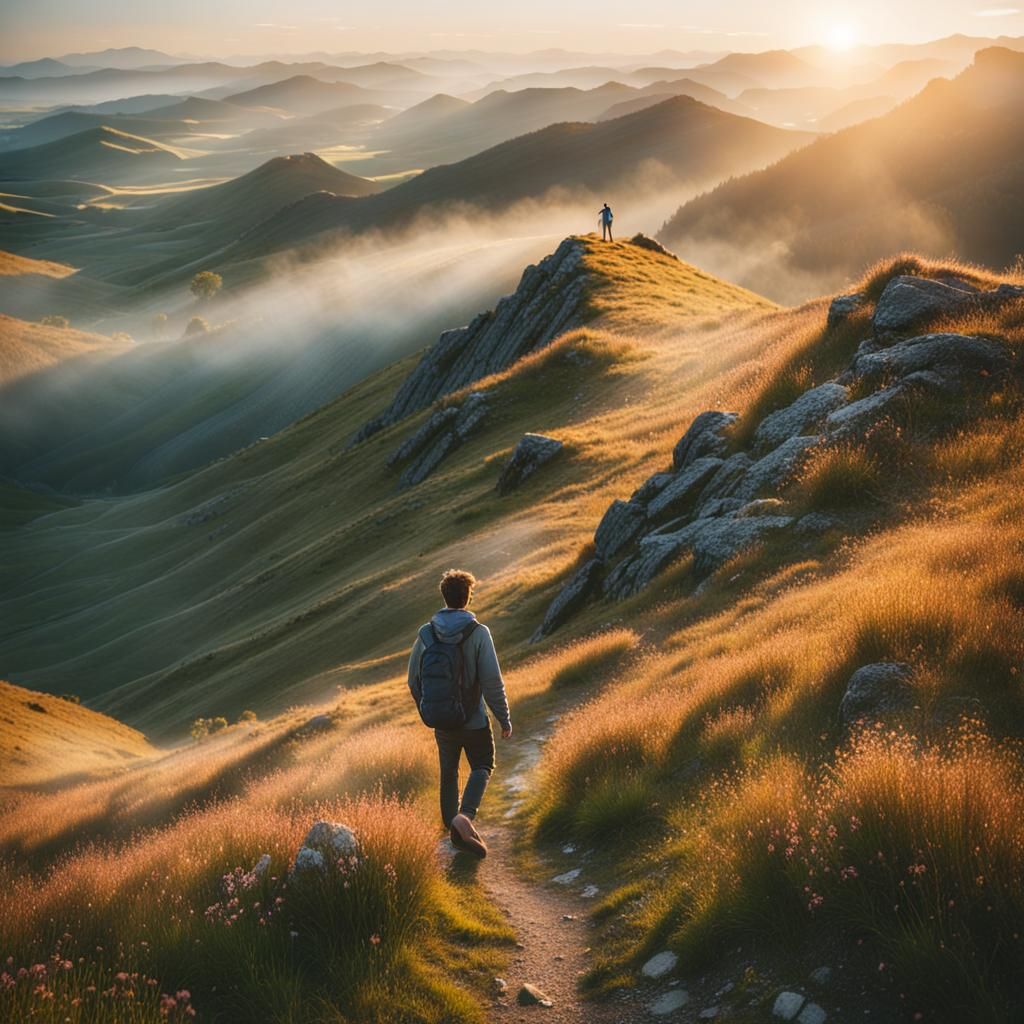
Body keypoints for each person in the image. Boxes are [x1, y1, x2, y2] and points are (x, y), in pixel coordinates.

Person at [408, 568, 511, 858]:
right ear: (467, 598)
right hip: (474, 720)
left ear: (444, 597)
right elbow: (491, 680)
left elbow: (412, 680)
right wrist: (504, 718)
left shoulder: (427, 633)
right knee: (482, 765)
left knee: (448, 772)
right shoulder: (478, 633)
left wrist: (427, 707)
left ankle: (452, 828)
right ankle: (464, 817)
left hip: (441, 720)